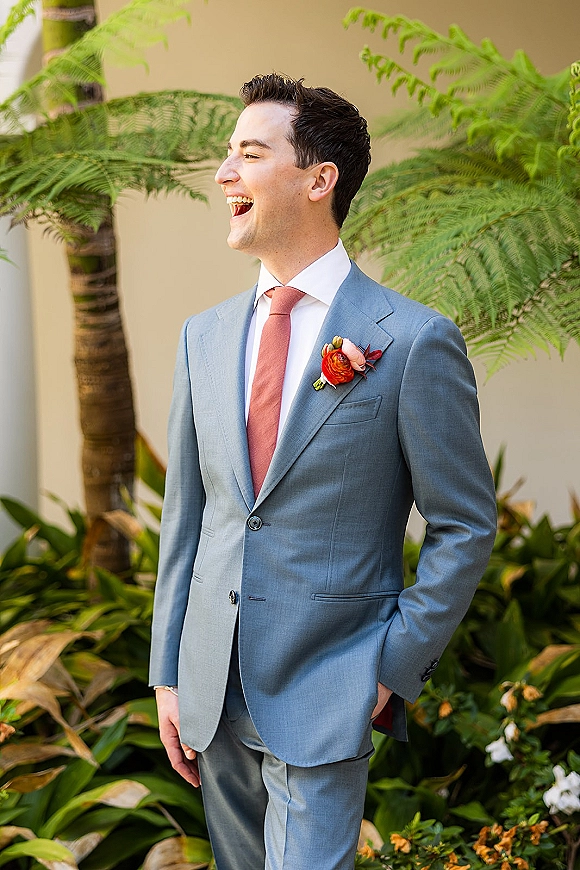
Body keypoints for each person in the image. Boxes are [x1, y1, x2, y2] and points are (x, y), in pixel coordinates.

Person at [149, 73, 497, 870]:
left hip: (331, 683)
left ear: (318, 179)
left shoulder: (411, 341)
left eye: (248, 153)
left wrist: (389, 667)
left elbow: (464, 523)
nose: (223, 174)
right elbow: (188, 516)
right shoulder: (201, 338)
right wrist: (168, 669)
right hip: (210, 686)